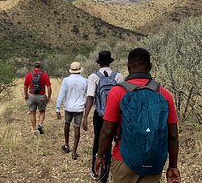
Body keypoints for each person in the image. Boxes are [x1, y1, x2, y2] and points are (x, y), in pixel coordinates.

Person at [94, 48, 181, 183]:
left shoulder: (117, 92)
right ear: (150, 67)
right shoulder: (164, 94)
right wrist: (173, 166)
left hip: (124, 160)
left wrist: (100, 156)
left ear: (128, 66)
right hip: (154, 161)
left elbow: (107, 132)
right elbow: (173, 136)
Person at [82, 50, 123, 182]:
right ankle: (112, 169)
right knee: (116, 142)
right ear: (110, 62)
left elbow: (90, 97)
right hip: (116, 115)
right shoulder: (118, 76)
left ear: (99, 62)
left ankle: (97, 170)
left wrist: (85, 116)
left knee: (99, 141)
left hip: (100, 115)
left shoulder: (93, 77)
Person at [55, 62, 88, 160]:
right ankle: (74, 151)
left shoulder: (66, 80)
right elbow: (88, 94)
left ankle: (66, 145)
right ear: (80, 69)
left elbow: (61, 94)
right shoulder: (85, 81)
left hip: (68, 107)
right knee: (77, 128)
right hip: (79, 108)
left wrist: (57, 108)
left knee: (67, 124)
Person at [24, 61, 52, 135]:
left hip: (32, 96)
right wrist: (49, 97)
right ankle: (40, 124)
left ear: (34, 67)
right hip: (41, 96)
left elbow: (25, 86)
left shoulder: (29, 75)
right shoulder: (44, 75)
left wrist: (26, 95)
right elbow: (49, 87)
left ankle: (34, 130)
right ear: (41, 67)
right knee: (42, 111)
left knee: (32, 112)